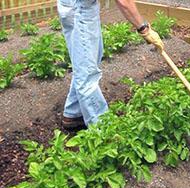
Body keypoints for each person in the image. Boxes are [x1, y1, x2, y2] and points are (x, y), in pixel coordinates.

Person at [57, 0, 164, 129]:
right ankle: (103, 130)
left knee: (85, 62)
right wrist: (144, 28)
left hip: (75, 5)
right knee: (87, 72)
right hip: (80, 10)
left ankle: (73, 114)